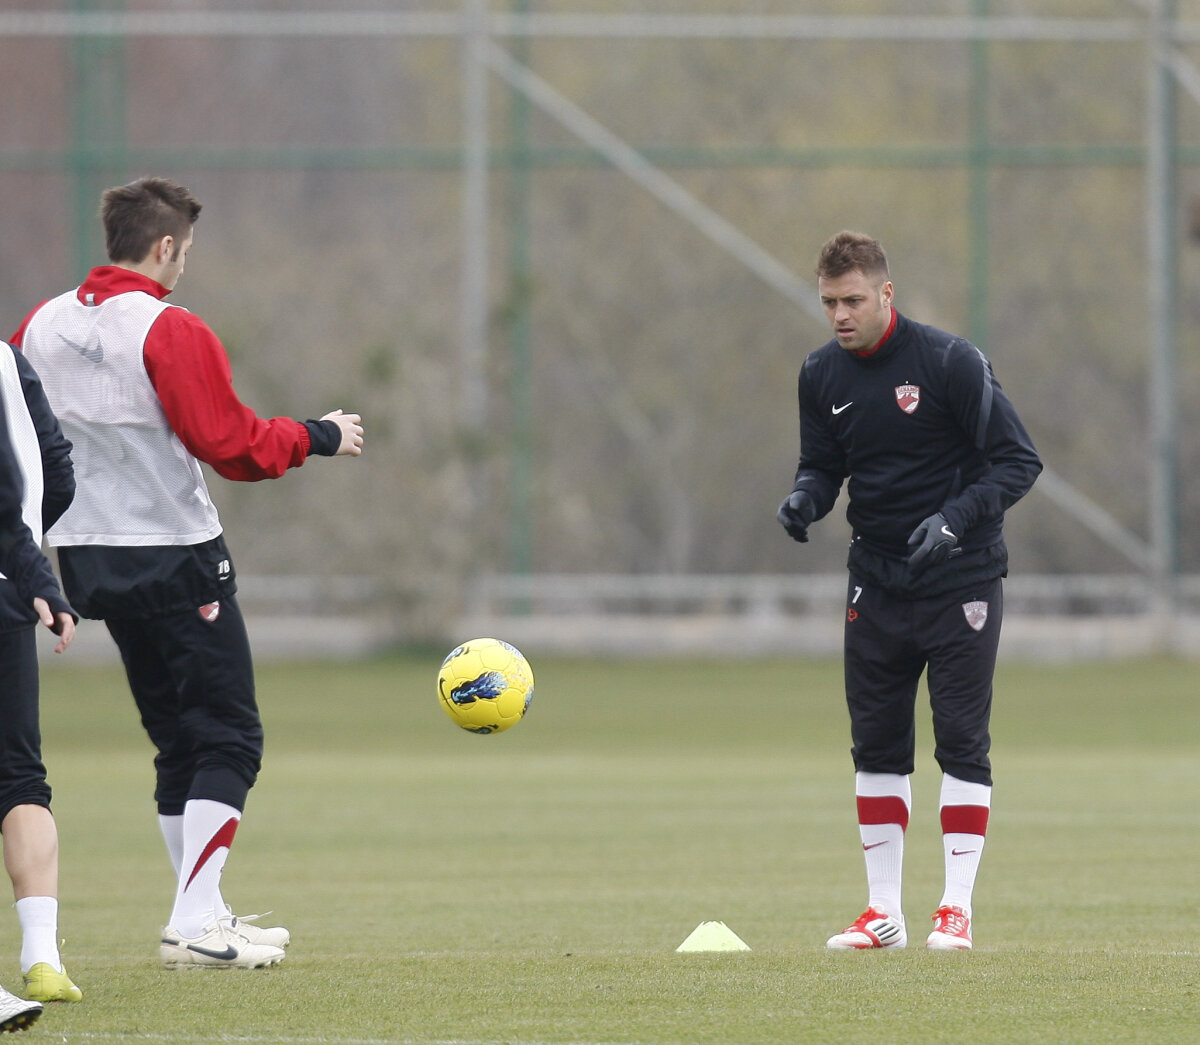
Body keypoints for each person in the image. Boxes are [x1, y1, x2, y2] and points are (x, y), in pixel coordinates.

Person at [12, 176, 365, 970]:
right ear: (166, 245)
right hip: (172, 549)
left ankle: (200, 910)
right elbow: (230, 443)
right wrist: (318, 434)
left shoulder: (40, 323)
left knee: (177, 738)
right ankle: (197, 920)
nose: (185, 266)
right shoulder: (169, 328)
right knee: (230, 734)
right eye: (187, 251)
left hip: (87, 555)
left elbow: (20, 435)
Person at [776, 231, 1041, 951]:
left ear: (886, 293)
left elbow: (1019, 462)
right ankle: (882, 912)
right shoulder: (820, 373)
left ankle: (955, 908)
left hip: (962, 579)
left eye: (853, 300)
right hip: (877, 581)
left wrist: (954, 521)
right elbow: (823, 463)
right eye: (829, 302)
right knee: (876, 744)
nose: (840, 314)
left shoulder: (950, 362)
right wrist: (806, 498)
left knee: (961, 740)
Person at [0, 340, 81, 1025]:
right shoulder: (6, 360)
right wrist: (33, 572)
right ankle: (42, 956)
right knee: (20, 779)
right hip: (6, 586)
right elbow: (53, 468)